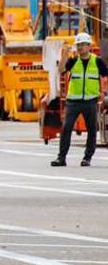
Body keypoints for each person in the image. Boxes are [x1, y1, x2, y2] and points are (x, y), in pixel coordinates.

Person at [52, 32, 106, 167]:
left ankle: (87, 158)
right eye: (78, 45)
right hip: (73, 101)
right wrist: (64, 56)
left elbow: (106, 74)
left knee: (91, 129)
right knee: (66, 128)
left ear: (89, 46)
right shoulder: (73, 61)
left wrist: (104, 93)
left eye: (83, 44)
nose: (80, 47)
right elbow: (61, 70)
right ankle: (61, 158)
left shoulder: (97, 61)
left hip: (90, 101)